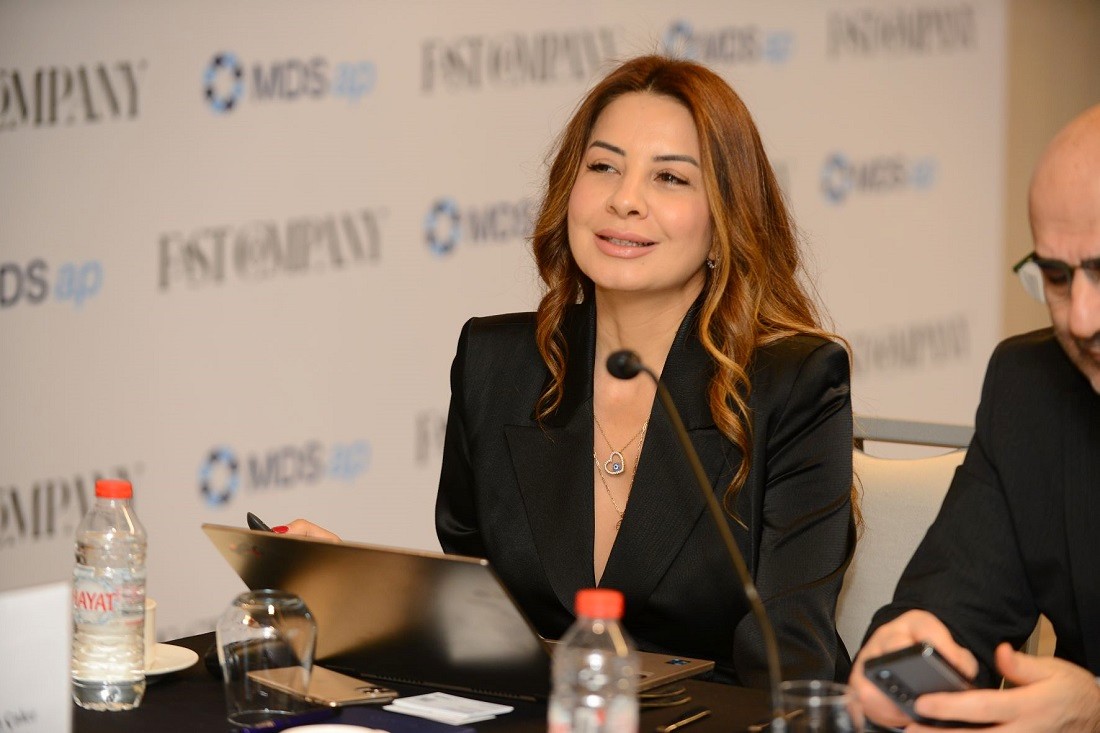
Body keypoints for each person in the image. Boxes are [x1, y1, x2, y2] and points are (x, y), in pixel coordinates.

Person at [432, 54, 856, 688]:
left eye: (670, 179)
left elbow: (790, 653)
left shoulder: (793, 384)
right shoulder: (496, 362)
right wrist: (352, 589)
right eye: (603, 167)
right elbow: (474, 607)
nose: (625, 200)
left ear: (724, 224)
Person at [849, 105, 1100, 730]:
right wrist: (910, 648)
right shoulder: (1031, 390)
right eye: (1058, 276)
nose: (1081, 319)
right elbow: (959, 605)